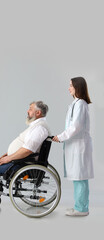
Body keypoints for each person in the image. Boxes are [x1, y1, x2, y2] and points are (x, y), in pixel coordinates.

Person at [52, 77, 94, 216]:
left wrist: (61, 137)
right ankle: (79, 206)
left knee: (80, 177)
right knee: (78, 177)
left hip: (79, 146)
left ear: (77, 87)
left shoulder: (80, 104)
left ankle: (82, 209)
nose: (68, 88)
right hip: (75, 145)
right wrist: (62, 137)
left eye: (71, 85)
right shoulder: (76, 104)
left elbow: (76, 126)